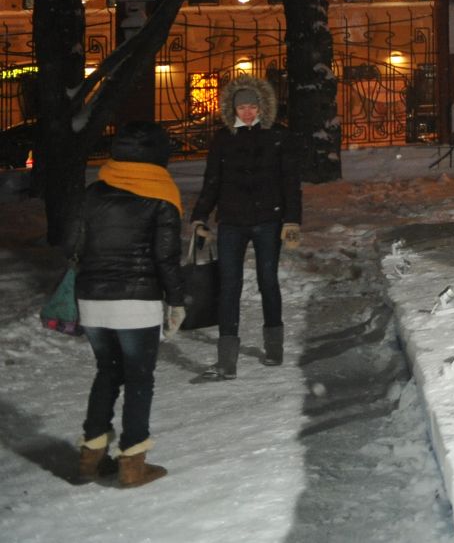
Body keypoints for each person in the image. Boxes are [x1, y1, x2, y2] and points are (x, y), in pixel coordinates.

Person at [73, 121, 187, 488]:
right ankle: (133, 462)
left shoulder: (93, 192)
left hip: (92, 298)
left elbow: (72, 244)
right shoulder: (162, 194)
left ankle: (91, 455)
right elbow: (166, 257)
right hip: (136, 301)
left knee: (107, 371)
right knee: (139, 378)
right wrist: (176, 300)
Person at [190, 78, 301, 378]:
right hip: (232, 222)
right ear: (233, 108)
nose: (248, 112)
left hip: (268, 219)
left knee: (268, 280)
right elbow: (212, 180)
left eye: (253, 106)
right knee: (229, 287)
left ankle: (274, 347)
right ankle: (227, 360)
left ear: (262, 106)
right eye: (242, 106)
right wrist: (200, 216)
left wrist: (292, 220)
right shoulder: (223, 138)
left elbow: (290, 182)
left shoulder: (278, 136)